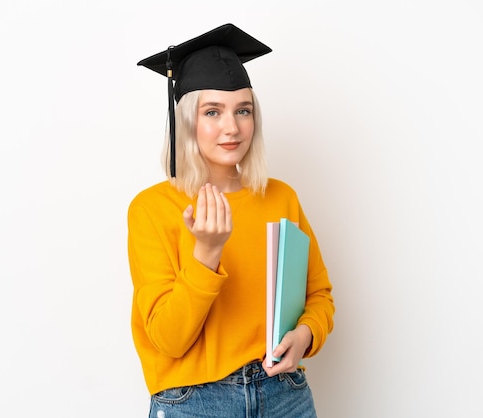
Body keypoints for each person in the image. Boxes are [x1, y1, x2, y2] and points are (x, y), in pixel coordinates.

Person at [128, 23, 335, 417]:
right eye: (212, 112)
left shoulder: (280, 197)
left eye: (243, 110)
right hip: (194, 402)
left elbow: (319, 296)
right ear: (187, 120)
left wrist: (306, 335)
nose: (232, 127)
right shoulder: (152, 208)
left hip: (284, 395)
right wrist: (206, 252)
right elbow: (168, 341)